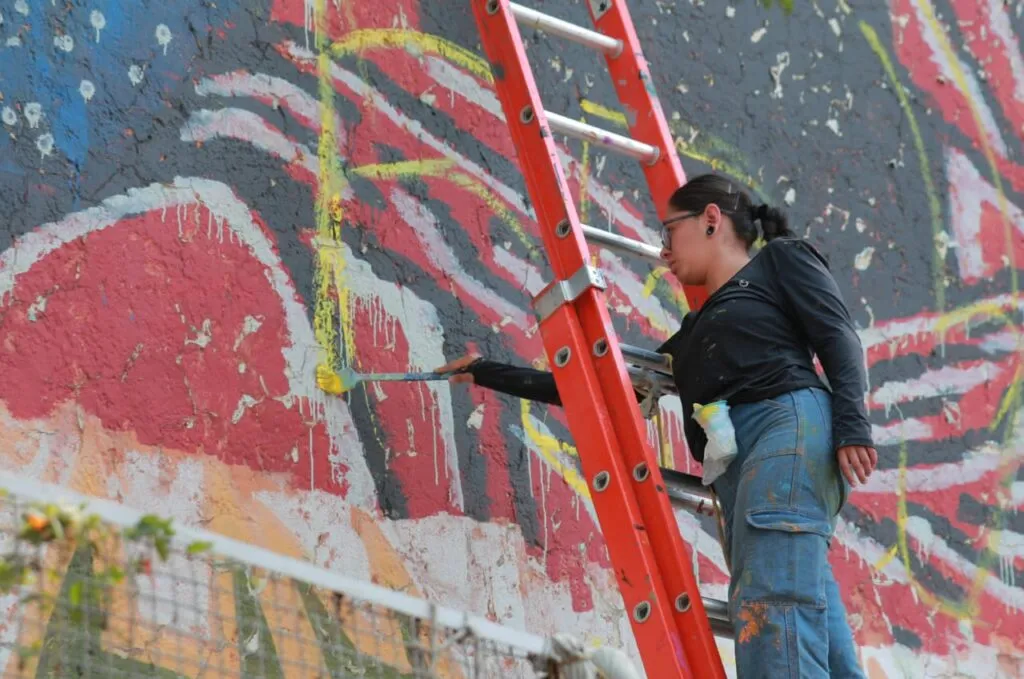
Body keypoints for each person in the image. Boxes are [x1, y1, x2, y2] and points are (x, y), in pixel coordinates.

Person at [435, 173, 876, 678]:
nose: (662, 248)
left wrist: (853, 426)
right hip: (751, 468)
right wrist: (485, 371)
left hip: (787, 434)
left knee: (773, 607)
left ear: (712, 219)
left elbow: (838, 335)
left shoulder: (781, 261)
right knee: (814, 625)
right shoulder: (694, 334)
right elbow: (596, 391)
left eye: (668, 231)